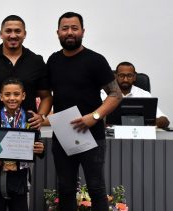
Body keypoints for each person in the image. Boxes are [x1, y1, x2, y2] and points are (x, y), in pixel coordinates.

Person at [0, 15, 52, 210]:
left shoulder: (36, 61)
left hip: (25, 136)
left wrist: (40, 117)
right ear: (1, 34)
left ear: (24, 34)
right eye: (8, 31)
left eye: (17, 31)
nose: (13, 35)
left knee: (22, 187)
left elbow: (47, 96)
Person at [47, 12, 122, 211]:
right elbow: (46, 95)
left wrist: (94, 116)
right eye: (65, 28)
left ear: (82, 31)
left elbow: (115, 94)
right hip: (63, 135)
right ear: (58, 32)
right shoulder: (53, 61)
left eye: (74, 28)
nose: (69, 32)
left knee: (96, 187)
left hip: (93, 135)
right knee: (65, 188)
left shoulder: (95, 60)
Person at [0, 78, 44, 211]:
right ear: (1, 97)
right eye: (7, 95)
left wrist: (41, 149)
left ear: (23, 96)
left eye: (16, 94)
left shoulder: (31, 118)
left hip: (19, 180)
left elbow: (38, 144)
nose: (12, 98)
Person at [101, 61, 170, 128]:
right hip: (112, 135)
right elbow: (94, 117)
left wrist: (150, 121)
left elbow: (164, 120)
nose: (125, 80)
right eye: (122, 75)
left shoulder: (144, 94)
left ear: (134, 77)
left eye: (129, 76)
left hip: (139, 134)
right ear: (116, 76)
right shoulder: (104, 93)